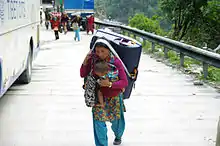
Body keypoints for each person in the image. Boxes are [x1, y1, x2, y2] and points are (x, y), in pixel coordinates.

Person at [80, 38, 128, 146]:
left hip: (114, 97)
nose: (99, 54)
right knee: (99, 124)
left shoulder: (116, 62)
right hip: (98, 97)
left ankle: (118, 135)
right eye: (97, 51)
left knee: (117, 123)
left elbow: (124, 82)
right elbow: (83, 74)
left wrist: (110, 84)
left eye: (102, 51)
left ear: (109, 50)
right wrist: (85, 61)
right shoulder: (93, 60)